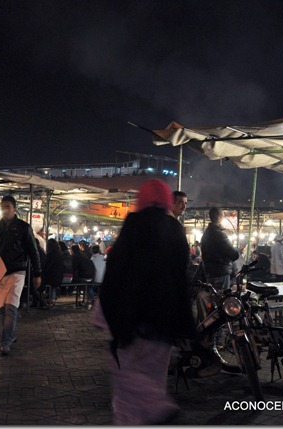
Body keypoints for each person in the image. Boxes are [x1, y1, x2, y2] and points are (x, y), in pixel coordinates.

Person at [98, 179, 197, 425]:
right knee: (155, 375)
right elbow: (180, 278)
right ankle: (153, 411)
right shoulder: (175, 230)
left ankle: (154, 407)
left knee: (125, 372)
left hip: (133, 318)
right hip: (164, 321)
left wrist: (110, 315)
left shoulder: (134, 225)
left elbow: (115, 273)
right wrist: (187, 325)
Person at [0, 196, 42, 356]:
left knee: (11, 307)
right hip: (0, 271)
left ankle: (5, 341)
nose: (5, 210)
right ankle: (10, 335)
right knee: (1, 309)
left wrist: (37, 273)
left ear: (14, 208)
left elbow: (33, 252)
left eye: (8, 206)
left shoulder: (23, 227)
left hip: (17, 271)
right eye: (3, 207)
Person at [200, 207, 239, 290]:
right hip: (221, 272)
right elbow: (235, 254)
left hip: (209, 272)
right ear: (219, 217)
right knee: (221, 299)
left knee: (212, 299)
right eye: (222, 216)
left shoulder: (206, 234)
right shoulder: (220, 235)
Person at [42, 238, 64, 305]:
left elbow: (48, 266)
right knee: (52, 287)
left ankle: (49, 300)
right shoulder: (59, 254)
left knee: (46, 283)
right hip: (59, 276)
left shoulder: (50, 255)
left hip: (52, 276)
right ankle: (52, 299)